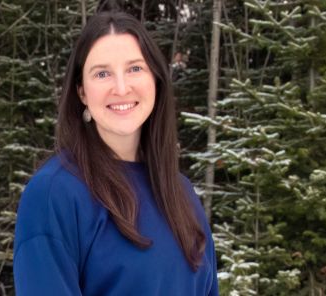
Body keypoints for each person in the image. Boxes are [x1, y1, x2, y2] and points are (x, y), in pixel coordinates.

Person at [13, 11, 219, 296]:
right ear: (82, 92)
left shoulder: (181, 194)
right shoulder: (53, 195)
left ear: (156, 80)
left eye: (135, 68)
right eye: (102, 73)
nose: (121, 88)